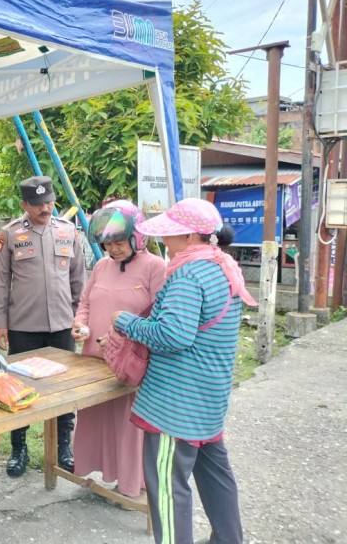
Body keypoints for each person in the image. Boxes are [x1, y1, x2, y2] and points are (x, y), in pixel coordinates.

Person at [111, 198, 255, 544]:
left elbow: (173, 335)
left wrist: (127, 322)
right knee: (216, 475)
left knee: (167, 488)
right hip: (208, 400)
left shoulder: (188, 274)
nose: (166, 238)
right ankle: (228, 538)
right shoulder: (223, 266)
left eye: (172, 231)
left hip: (175, 407)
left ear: (190, 235)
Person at [0, 175, 87, 477]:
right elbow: (0, 281)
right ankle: (19, 448)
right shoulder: (10, 234)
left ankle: (63, 448)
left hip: (61, 323)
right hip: (24, 325)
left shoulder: (68, 232)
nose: (45, 209)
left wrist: (79, 315)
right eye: (37, 204)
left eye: (48, 202)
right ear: (24, 205)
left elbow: (78, 278)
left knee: (63, 388)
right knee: (21, 388)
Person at [71, 200, 165, 499]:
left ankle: (129, 484)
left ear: (138, 236)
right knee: (96, 417)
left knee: (126, 425)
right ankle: (99, 474)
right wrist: (79, 322)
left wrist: (121, 338)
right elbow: (85, 302)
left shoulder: (155, 267)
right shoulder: (101, 265)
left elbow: (159, 316)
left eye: (118, 242)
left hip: (129, 364)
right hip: (93, 360)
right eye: (107, 243)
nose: (112, 249)